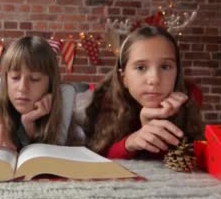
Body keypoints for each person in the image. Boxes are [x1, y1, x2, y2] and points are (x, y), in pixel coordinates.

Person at [84, 26, 204, 159]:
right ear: (124, 78)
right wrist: (129, 143)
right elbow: (95, 157)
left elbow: (189, 160)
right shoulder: (105, 99)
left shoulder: (189, 97)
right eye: (141, 67)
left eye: (165, 67)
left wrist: (165, 121)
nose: (154, 79)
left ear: (177, 73)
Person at [0, 36, 75, 150]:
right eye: (15, 77)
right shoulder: (1, 85)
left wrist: (28, 123)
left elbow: (55, 149)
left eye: (35, 79)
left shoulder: (64, 93)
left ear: (50, 82)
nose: (22, 88)